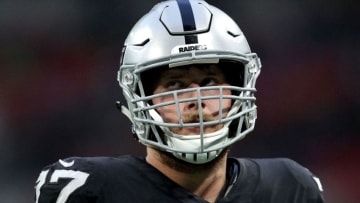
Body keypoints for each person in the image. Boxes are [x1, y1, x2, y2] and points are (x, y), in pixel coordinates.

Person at [34, 0, 325, 202]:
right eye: (175, 84)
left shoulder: (290, 187)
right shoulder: (90, 190)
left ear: (239, 89)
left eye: (210, 82)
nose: (196, 101)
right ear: (137, 96)